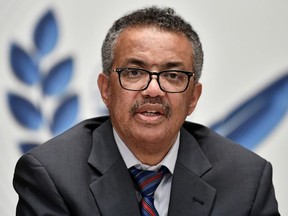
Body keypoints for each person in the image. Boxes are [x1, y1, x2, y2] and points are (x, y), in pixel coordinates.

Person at [13, 6, 280, 216]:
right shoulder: (51, 175)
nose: (153, 90)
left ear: (193, 99)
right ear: (105, 89)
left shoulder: (247, 180)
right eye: (134, 72)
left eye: (173, 75)